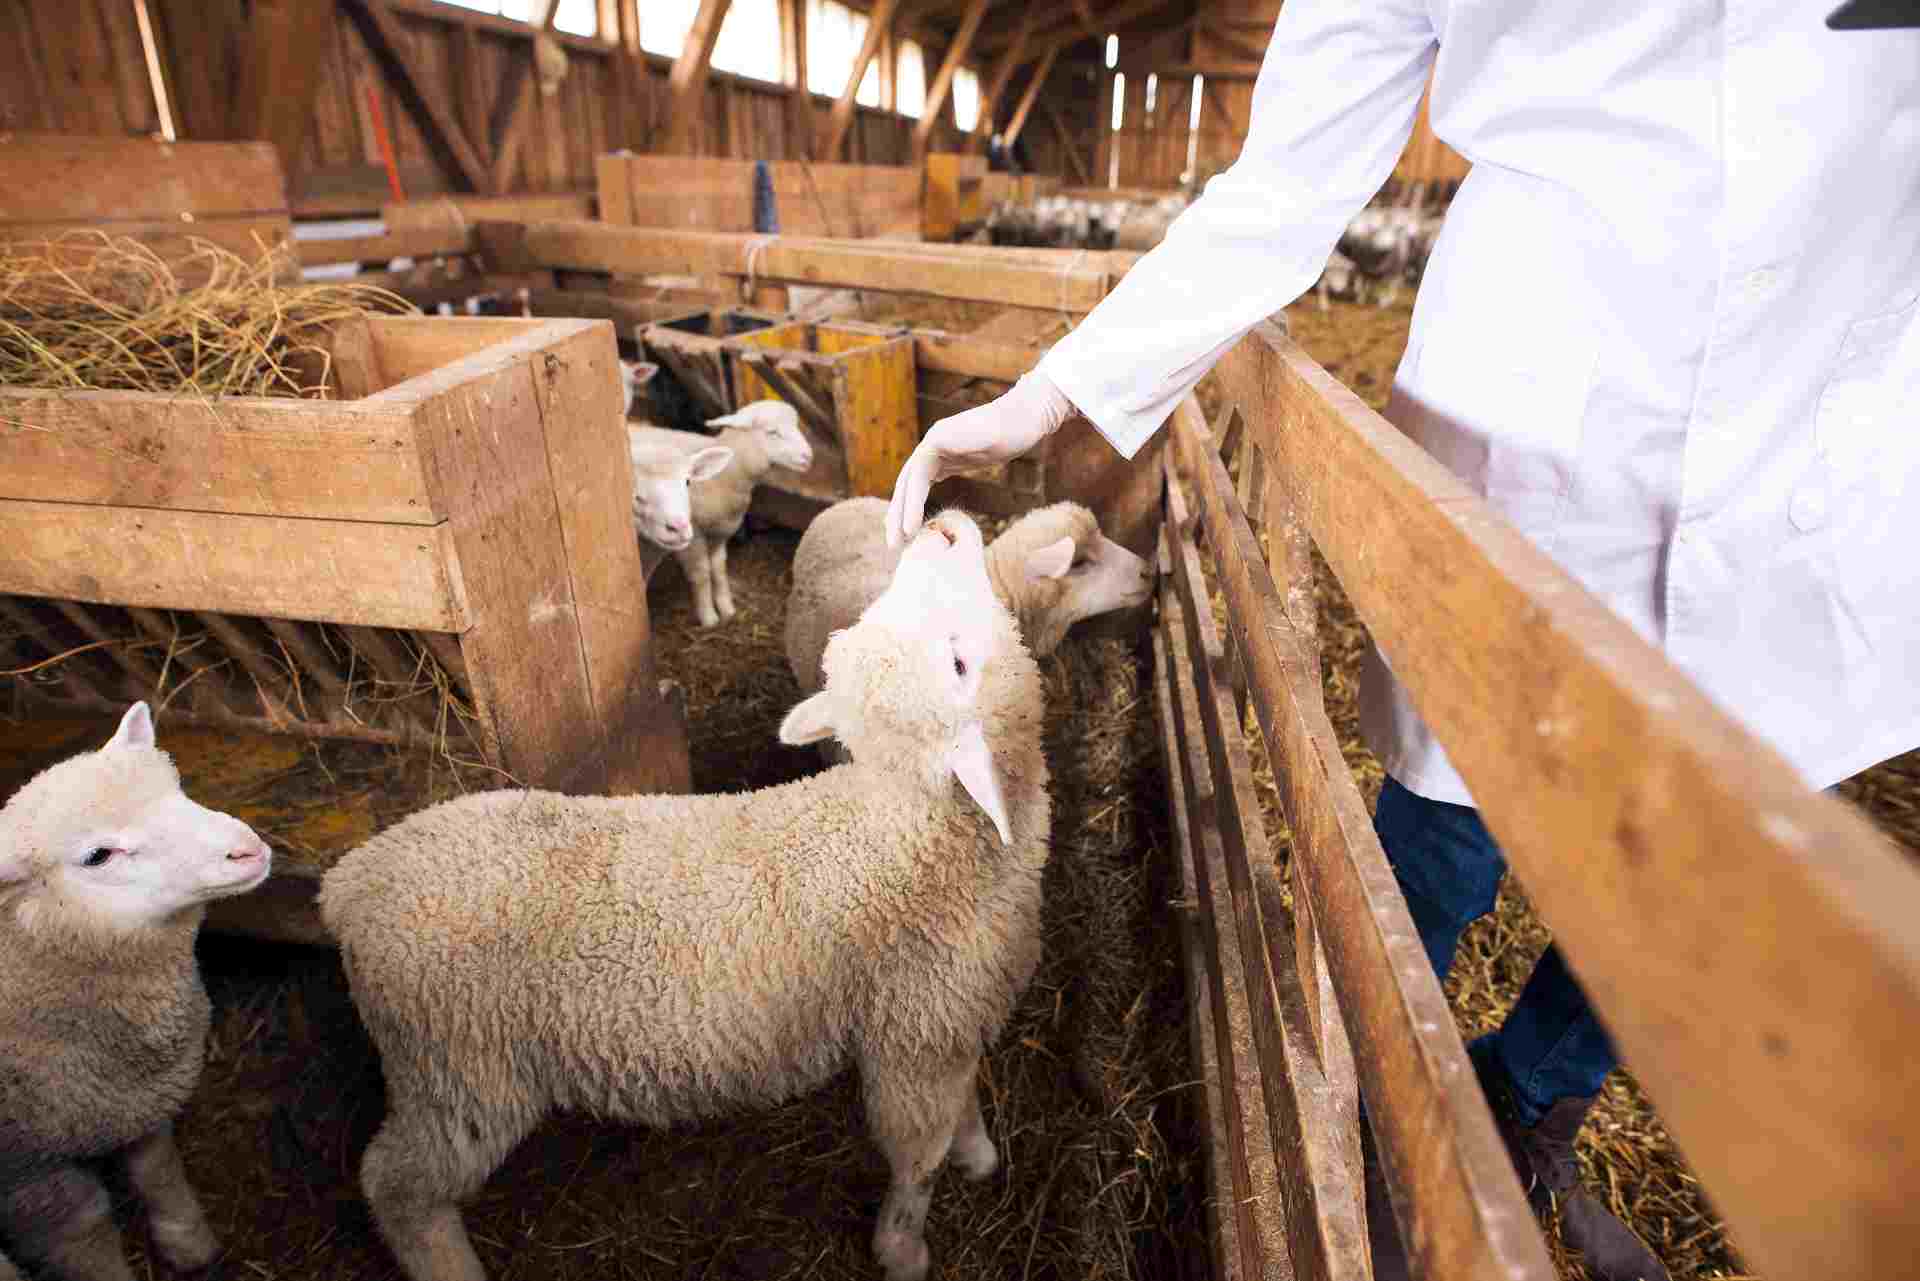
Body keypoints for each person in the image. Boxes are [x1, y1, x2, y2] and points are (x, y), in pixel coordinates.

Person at [886, 4, 1920, 1279]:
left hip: (1830, 410)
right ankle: (1377, 1124)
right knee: (1449, 821)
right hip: (1548, 409)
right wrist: (1058, 388)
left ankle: (1532, 1103)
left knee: (1716, 875)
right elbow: (1291, 172)